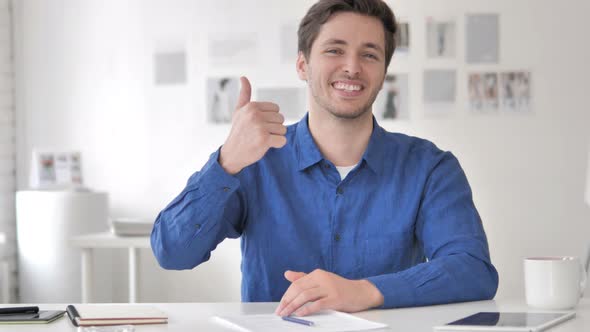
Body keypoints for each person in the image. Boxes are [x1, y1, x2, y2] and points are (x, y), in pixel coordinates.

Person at [151, 0, 498, 317]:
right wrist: (226, 163)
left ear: (383, 71)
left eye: (370, 55)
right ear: (302, 64)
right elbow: (172, 252)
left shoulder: (430, 168)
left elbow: (471, 268)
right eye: (335, 50)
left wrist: (364, 292)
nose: (352, 67)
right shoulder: (255, 160)